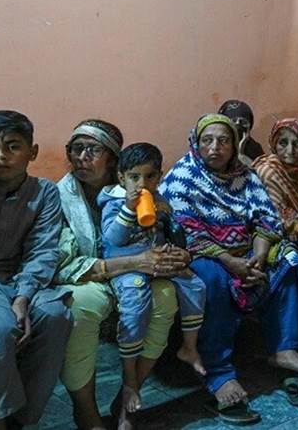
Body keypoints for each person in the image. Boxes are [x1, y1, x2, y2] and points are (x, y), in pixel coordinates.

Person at [160, 114, 298, 425]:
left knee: (290, 260)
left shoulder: (246, 175)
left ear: (234, 144)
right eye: (208, 140)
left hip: (247, 253)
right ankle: (219, 373)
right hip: (205, 255)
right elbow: (185, 232)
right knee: (212, 279)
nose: (215, 147)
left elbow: (267, 219)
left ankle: (284, 350)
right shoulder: (182, 176)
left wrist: (257, 257)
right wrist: (231, 262)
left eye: (224, 140)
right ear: (196, 143)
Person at [54, 119, 188, 430]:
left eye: (93, 149)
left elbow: (168, 235)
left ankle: (129, 395)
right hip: (88, 277)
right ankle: (85, 410)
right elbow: (62, 266)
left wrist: (178, 253)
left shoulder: (141, 190)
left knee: (166, 297)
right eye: (76, 149)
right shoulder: (58, 198)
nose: (81, 157)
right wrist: (134, 263)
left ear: (114, 162)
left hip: (135, 275)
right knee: (82, 308)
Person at [0, 111, 73, 429]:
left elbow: (43, 250)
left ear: (32, 152)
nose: (0, 157)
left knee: (56, 316)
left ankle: (23, 418)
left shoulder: (46, 193)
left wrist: (23, 297)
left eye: (12, 146)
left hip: (27, 277)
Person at [99, 143, 207, 416]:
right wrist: (127, 210)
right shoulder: (112, 202)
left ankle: (189, 347)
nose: (142, 184)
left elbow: (170, 234)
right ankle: (129, 378)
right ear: (121, 177)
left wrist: (167, 218)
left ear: (159, 176)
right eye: (134, 177)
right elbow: (112, 240)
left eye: (150, 177)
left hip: (158, 260)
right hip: (128, 267)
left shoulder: (160, 198)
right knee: (136, 304)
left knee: (195, 284)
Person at [252, 118, 298, 246]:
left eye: (297, 144)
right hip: (270, 240)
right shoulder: (269, 172)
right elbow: (284, 221)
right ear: (274, 145)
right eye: (283, 143)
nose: (290, 151)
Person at [218, 99, 265, 167]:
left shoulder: (254, 149)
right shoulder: (215, 144)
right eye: (233, 121)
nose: (238, 124)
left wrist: (241, 156)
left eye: (243, 122)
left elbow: (263, 174)